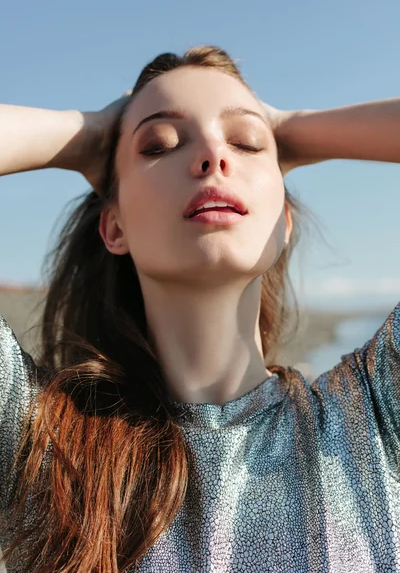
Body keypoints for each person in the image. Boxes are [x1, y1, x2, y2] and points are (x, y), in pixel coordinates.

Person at [0, 45, 399, 573]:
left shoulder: (374, 414)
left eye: (246, 143)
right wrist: (90, 135)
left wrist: (292, 127)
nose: (214, 156)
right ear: (114, 226)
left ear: (283, 221)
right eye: (159, 145)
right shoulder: (42, 440)